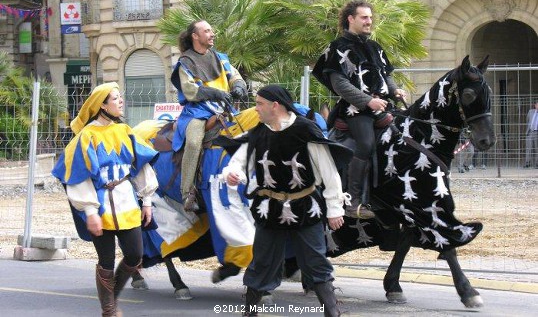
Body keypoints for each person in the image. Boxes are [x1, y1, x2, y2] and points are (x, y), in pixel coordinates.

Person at [222, 85, 351, 317]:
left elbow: (329, 172)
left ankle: (332, 313)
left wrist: (334, 208)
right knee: (261, 263)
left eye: (260, 103)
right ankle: (249, 313)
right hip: (269, 209)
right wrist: (233, 174)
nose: (256, 108)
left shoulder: (305, 130)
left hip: (306, 207)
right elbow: (239, 163)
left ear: (275, 105)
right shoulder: (258, 133)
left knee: (316, 263)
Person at [51, 82, 159, 317]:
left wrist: (147, 200)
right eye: (115, 98)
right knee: (106, 260)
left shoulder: (125, 131)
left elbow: (140, 167)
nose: (121, 101)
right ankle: (108, 309)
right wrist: (90, 212)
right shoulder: (86, 137)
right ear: (102, 105)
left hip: (127, 203)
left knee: (134, 255)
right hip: (100, 206)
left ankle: (112, 298)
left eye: (121, 97)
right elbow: (78, 177)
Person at [312, 0, 406, 219]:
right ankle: (353, 202)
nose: (369, 21)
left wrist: (395, 91)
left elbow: (386, 76)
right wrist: (367, 101)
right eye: (364, 17)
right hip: (355, 109)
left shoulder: (374, 47)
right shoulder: (337, 48)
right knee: (366, 143)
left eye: (370, 17)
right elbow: (340, 84)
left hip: (382, 105)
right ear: (350, 19)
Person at [170, 20, 248, 212]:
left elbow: (235, 76)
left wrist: (238, 85)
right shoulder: (185, 62)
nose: (212, 34)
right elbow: (190, 91)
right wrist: (215, 93)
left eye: (212, 30)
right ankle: (187, 192)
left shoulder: (221, 58)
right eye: (207, 31)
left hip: (225, 109)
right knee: (195, 141)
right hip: (198, 111)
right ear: (195, 36)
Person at [524, 101, 538, 168]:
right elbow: (527, 120)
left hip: (536, 132)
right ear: (535, 105)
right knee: (528, 148)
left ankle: (537, 164)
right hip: (530, 132)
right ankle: (527, 163)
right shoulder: (531, 111)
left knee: (536, 149)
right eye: (537, 104)